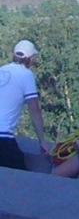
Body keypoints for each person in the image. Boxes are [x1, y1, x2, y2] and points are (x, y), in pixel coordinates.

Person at [0, 39, 49, 170]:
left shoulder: (2, 70)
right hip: (3, 137)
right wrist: (42, 141)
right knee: (19, 175)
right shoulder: (27, 75)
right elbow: (34, 109)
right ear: (30, 59)